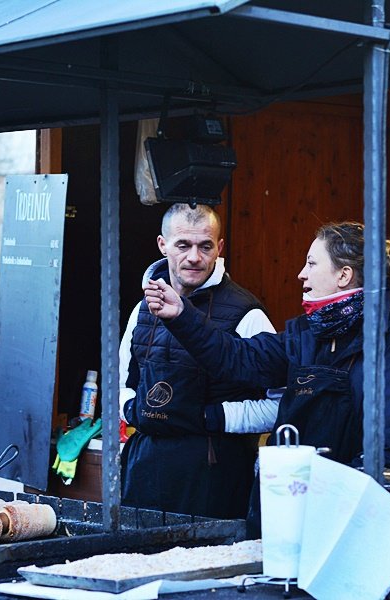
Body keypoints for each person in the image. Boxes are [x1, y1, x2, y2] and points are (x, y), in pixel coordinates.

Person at [145, 222, 390, 534]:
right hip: (287, 510)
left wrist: (335, 506)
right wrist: (182, 316)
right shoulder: (307, 334)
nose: (301, 274)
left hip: (346, 523)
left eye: (311, 263)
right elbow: (237, 358)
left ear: (343, 275)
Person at [118, 203, 276, 520]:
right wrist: (133, 409)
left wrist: (214, 417)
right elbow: (121, 383)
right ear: (163, 245)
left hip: (215, 475)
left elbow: (278, 406)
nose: (194, 257)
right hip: (145, 467)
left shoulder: (247, 313)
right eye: (183, 245)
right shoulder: (143, 308)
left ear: (219, 247)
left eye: (205, 246)